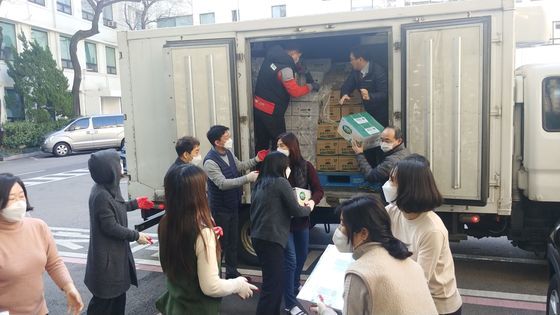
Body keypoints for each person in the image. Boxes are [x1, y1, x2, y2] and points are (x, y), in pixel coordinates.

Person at [156, 164, 257, 314]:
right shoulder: (203, 234)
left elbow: (169, 261)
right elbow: (211, 287)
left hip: (175, 306)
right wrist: (238, 284)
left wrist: (206, 239)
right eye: (203, 188)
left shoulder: (165, 222)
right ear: (196, 195)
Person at [312, 195, 437, 315]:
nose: (339, 230)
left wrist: (325, 311)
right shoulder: (408, 262)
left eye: (343, 224)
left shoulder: (358, 273)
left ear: (363, 234)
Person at [383, 154, 463, 315]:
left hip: (438, 306)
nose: (387, 185)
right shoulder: (392, 211)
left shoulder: (431, 230)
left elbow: (419, 280)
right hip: (409, 295)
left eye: (393, 181)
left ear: (408, 187)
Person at [0, 173, 84, 315]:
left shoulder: (38, 227)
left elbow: (54, 263)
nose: (19, 203)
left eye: (21, 196)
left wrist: (69, 287)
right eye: (12, 199)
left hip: (40, 311)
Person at [85, 149, 155, 315]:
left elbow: (117, 206)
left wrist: (135, 204)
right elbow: (110, 226)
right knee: (104, 303)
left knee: (118, 299)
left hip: (115, 256)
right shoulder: (100, 194)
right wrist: (136, 235)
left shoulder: (109, 187)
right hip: (107, 261)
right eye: (119, 163)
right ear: (108, 169)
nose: (122, 166)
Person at [250, 152, 313, 315]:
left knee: (274, 282)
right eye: (286, 166)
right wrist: (309, 207)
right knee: (273, 285)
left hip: (259, 236)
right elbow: (296, 210)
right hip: (272, 238)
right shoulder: (280, 183)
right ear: (280, 167)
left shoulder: (260, 182)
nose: (288, 169)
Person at [203, 125, 262, 279]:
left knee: (233, 241)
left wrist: (257, 159)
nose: (230, 140)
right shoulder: (210, 162)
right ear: (217, 142)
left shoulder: (228, 152)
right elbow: (222, 184)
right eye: (226, 137)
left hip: (233, 204)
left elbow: (240, 166)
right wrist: (247, 179)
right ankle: (214, 276)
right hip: (220, 208)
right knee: (221, 243)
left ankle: (231, 272)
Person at [276, 132, 324, 315]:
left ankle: (293, 287)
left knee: (301, 257)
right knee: (291, 260)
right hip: (283, 222)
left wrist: (311, 202)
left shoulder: (306, 166)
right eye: (278, 145)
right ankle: (289, 300)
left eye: (283, 146)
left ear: (292, 147)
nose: (280, 149)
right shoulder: (275, 167)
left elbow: (318, 190)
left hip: (302, 220)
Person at [253, 44, 320, 152]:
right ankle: (277, 167)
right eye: (298, 56)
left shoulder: (272, 56)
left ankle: (260, 168)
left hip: (258, 106)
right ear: (293, 53)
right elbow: (295, 91)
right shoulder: (286, 69)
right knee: (281, 142)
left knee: (262, 142)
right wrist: (311, 86)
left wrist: (298, 68)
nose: (298, 59)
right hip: (271, 111)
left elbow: (279, 69)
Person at [339, 45, 389, 126]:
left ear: (360, 59)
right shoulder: (356, 71)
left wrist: (369, 96)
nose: (350, 62)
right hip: (368, 112)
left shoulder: (378, 72)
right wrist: (345, 94)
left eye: (352, 59)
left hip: (381, 113)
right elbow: (348, 84)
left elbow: (385, 94)